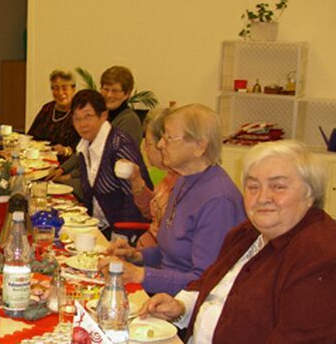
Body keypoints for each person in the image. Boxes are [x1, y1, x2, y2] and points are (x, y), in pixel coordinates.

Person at [142, 140, 336, 344]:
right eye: (253, 186)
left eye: (278, 186)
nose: (262, 197)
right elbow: (213, 284)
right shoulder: (248, 234)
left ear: (310, 194)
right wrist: (181, 306)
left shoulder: (323, 256)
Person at [101, 104, 245, 294]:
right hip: (164, 290)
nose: (160, 144)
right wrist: (136, 256)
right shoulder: (184, 180)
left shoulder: (218, 201)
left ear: (200, 146)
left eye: (169, 138)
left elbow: (205, 281)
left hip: (182, 303)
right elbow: (170, 254)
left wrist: (140, 275)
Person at [49, 89, 153, 235]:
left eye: (88, 116)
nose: (82, 124)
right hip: (99, 226)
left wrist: (122, 236)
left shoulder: (118, 145)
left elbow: (133, 197)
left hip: (126, 233)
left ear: (103, 116)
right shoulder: (85, 146)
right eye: (77, 118)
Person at [118, 107, 179, 249]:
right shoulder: (169, 176)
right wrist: (136, 179)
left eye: (148, 143)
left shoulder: (182, 183)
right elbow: (151, 212)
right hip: (143, 250)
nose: (145, 149)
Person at [26, 69, 80, 161]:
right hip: (38, 161)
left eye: (64, 88)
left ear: (73, 89)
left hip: (65, 164)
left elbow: (82, 148)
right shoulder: (47, 108)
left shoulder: (79, 113)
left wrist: (65, 150)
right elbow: (30, 136)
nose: (60, 93)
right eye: (56, 88)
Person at [100, 65, 142, 145]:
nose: (109, 95)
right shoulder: (101, 115)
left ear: (127, 94)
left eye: (115, 91)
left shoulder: (130, 121)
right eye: (106, 89)